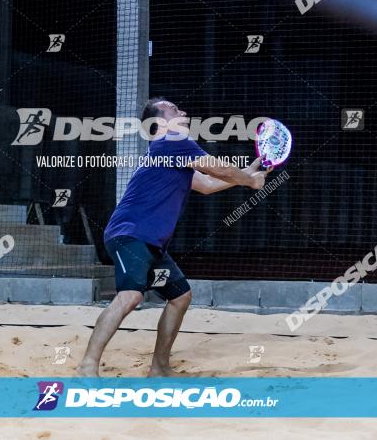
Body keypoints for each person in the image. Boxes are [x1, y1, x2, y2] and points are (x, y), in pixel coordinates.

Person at [77, 98, 269, 377]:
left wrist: (250, 171)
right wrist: (249, 180)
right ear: (161, 123)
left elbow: (207, 184)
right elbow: (219, 169)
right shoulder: (173, 142)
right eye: (175, 110)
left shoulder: (170, 154)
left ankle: (160, 367)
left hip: (150, 242)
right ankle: (87, 366)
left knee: (180, 296)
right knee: (130, 297)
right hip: (129, 235)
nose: (184, 112)